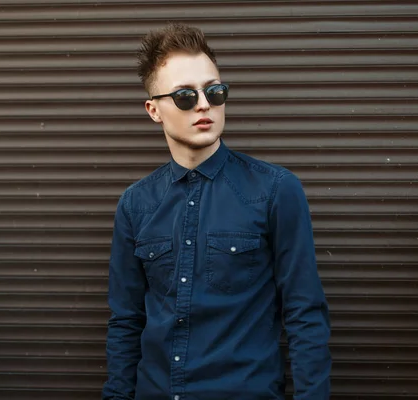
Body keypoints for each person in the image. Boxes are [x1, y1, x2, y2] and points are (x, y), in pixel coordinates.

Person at [102, 22, 331, 400]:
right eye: (185, 96)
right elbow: (126, 321)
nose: (204, 104)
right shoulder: (136, 204)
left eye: (214, 91)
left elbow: (305, 314)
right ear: (154, 110)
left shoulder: (274, 190)